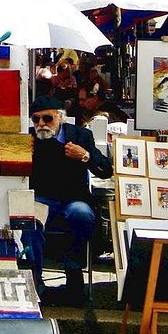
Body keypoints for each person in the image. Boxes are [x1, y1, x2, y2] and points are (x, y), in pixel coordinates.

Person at [22, 95, 112, 305]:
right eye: (36, 120)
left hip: (74, 198)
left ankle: (74, 273)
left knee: (80, 213)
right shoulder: (30, 139)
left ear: (60, 117)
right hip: (42, 199)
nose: (41, 124)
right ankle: (35, 281)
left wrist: (86, 156)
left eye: (47, 119)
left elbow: (106, 170)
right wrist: (23, 156)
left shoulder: (81, 135)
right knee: (27, 220)